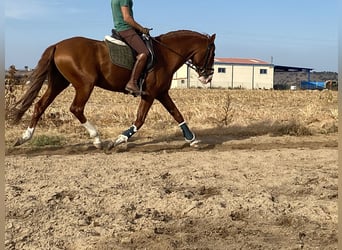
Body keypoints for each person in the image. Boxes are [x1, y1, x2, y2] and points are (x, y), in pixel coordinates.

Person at [111, 0, 150, 96]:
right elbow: (127, 18)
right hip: (125, 29)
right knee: (144, 53)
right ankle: (132, 82)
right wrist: (142, 29)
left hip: (120, 29)